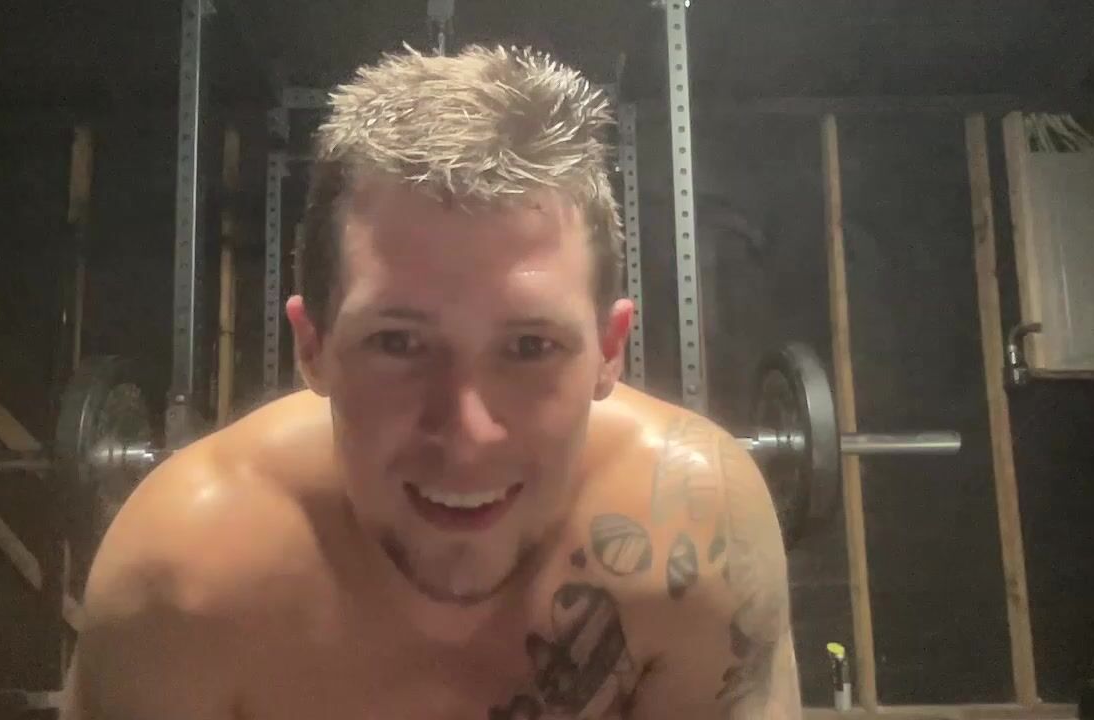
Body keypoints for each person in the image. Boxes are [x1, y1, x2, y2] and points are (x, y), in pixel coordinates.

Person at [61, 44, 800, 720]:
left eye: (531, 346)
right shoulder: (179, 582)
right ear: (312, 346)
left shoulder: (699, 538)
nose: (467, 436)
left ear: (610, 350)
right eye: (398, 343)